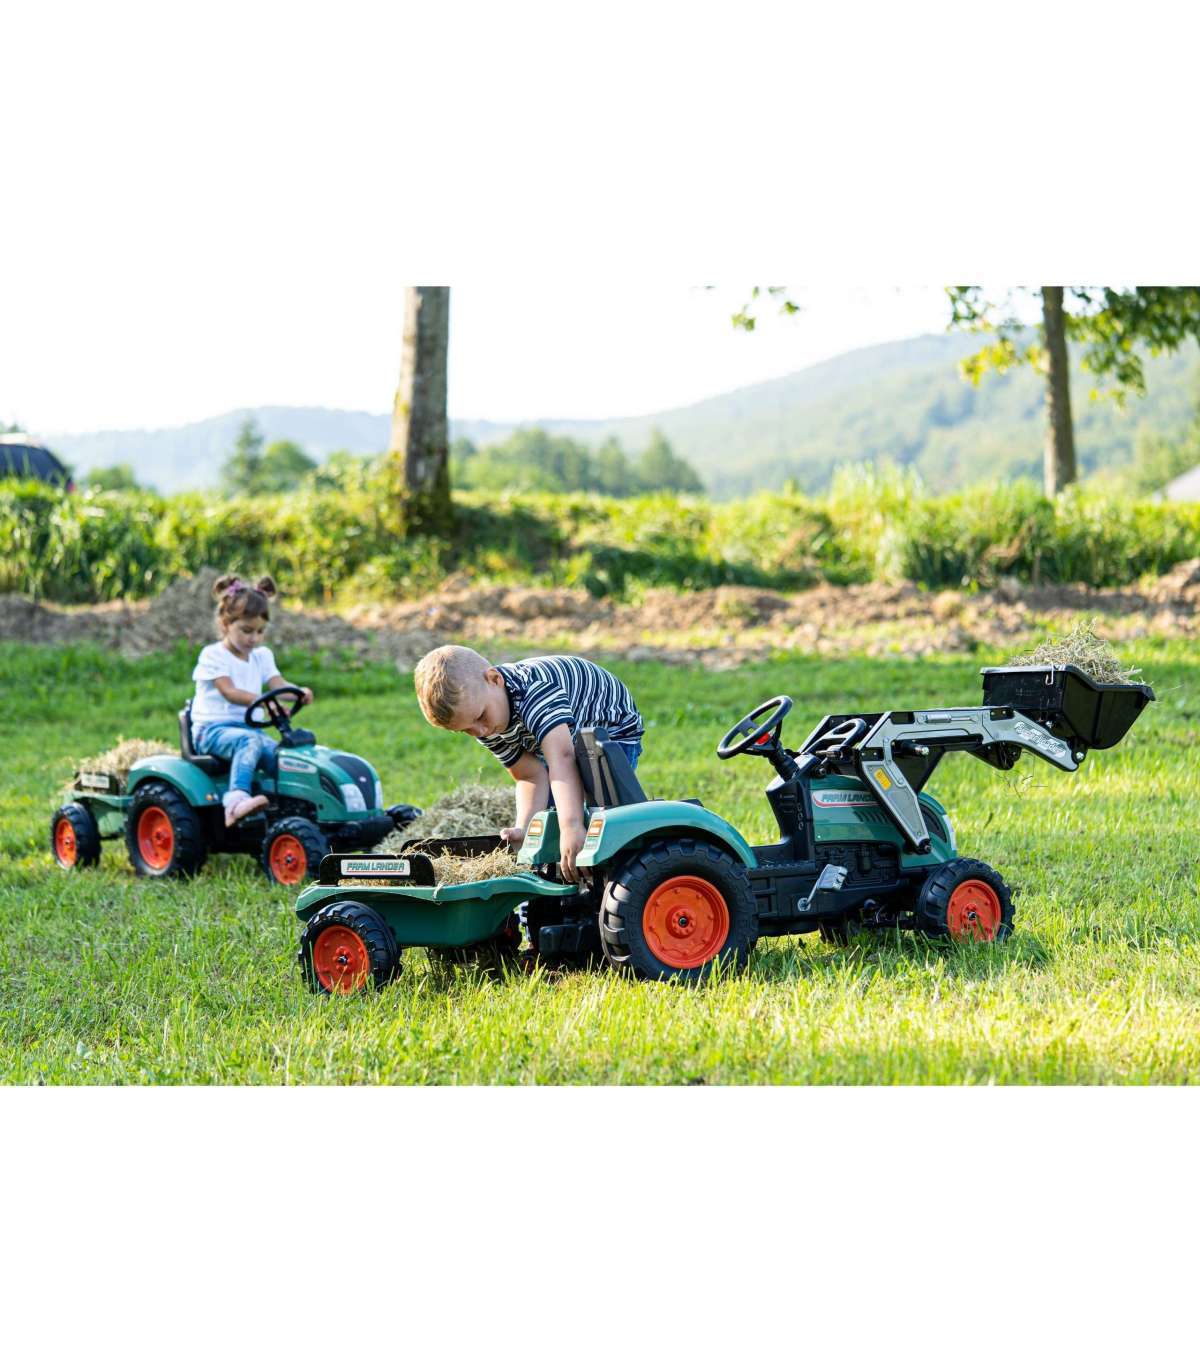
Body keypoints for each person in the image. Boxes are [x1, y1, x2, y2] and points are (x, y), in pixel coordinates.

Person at [413, 647, 643, 881]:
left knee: (599, 818)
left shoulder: (534, 694)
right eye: (466, 730)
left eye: (481, 717)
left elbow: (562, 759)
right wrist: (524, 829)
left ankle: (620, 876)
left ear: (495, 680)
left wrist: (571, 826)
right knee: (548, 824)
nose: (480, 732)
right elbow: (530, 775)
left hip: (608, 731)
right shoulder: (485, 722)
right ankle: (561, 885)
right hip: (559, 742)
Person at [191, 573, 314, 826]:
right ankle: (235, 803)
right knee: (248, 742)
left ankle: (297, 810)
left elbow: (278, 685)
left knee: (282, 757)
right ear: (225, 624)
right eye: (246, 631)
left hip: (250, 730)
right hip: (212, 731)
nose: (254, 638)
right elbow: (229, 691)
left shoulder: (261, 656)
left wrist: (298, 692)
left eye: (260, 631)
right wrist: (263, 701)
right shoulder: (213, 655)